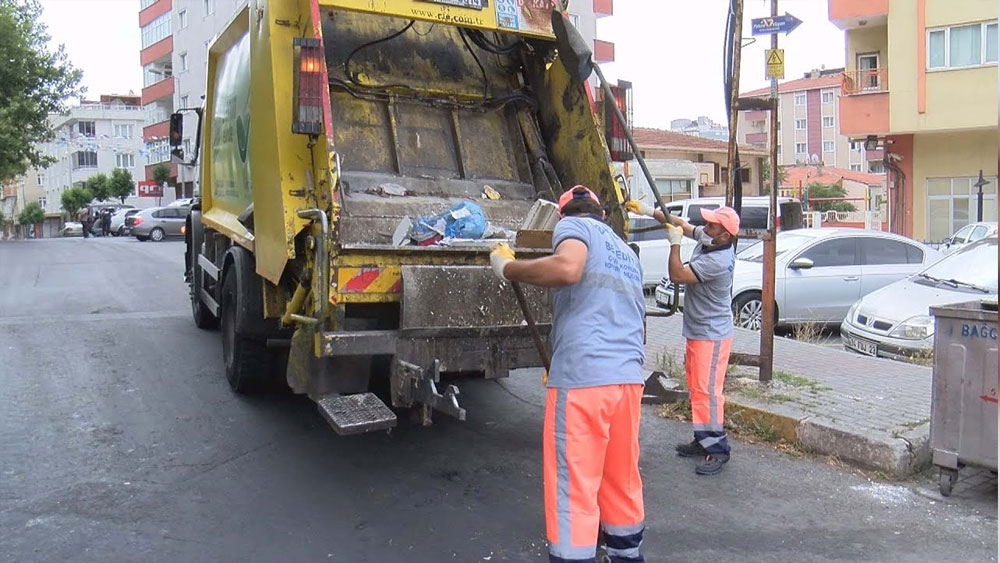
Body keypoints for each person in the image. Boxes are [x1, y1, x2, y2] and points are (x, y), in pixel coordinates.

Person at [491, 186, 647, 563]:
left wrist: (507, 268)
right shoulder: (625, 251)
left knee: (573, 485)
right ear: (603, 214)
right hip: (626, 381)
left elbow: (567, 268)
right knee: (620, 480)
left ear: (563, 216)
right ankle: (627, 555)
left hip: (584, 378)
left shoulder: (574, 228)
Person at [626, 199, 740, 476]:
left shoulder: (719, 260)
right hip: (699, 330)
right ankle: (703, 439)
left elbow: (677, 275)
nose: (705, 226)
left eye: (711, 224)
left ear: (724, 234)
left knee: (708, 392)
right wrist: (646, 211)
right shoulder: (713, 239)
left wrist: (674, 244)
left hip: (712, 335)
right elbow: (682, 225)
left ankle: (717, 449)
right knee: (698, 387)